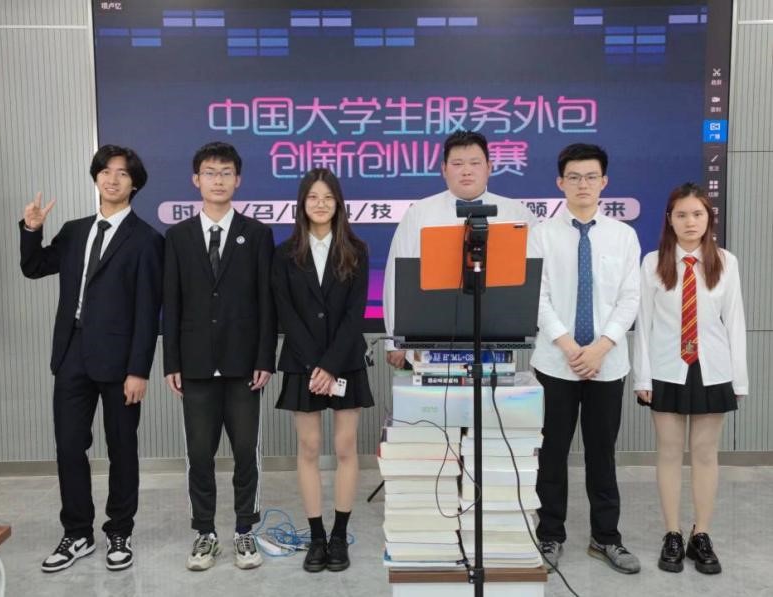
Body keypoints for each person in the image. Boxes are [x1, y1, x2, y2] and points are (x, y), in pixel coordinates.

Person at [20, 145, 163, 573]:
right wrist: (31, 230)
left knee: (122, 448)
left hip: (120, 363)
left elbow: (148, 312)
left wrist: (139, 370)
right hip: (71, 354)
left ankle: (120, 530)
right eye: (105, 171)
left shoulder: (147, 240)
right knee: (69, 447)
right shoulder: (74, 230)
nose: (112, 179)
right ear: (96, 177)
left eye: (122, 173)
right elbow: (34, 266)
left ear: (134, 184)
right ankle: (77, 533)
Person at [162, 142, 276, 571]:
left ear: (238, 180)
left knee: (246, 451)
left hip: (244, 364)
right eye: (210, 173)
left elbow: (267, 303)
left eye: (226, 172)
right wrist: (172, 362)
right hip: (194, 364)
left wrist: (265, 357)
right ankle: (205, 532)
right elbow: (171, 303)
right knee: (199, 453)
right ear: (196, 180)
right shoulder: (177, 237)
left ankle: (245, 530)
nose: (218, 180)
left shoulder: (257, 234)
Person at [528, 143, 641, 574]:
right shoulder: (541, 234)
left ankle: (606, 538)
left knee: (602, 453)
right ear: (560, 182)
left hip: (607, 364)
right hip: (555, 362)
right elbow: (537, 297)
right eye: (574, 177)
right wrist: (569, 345)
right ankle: (550, 534)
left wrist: (599, 347)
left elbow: (629, 298)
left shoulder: (623, 236)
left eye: (591, 176)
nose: (583, 184)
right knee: (551, 452)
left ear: (604, 182)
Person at [634, 183, 747, 575]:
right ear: (670, 220)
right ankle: (672, 533)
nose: (690, 222)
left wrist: (739, 380)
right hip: (667, 368)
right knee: (668, 452)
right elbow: (644, 325)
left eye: (697, 214)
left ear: (708, 218)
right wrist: (642, 377)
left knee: (704, 453)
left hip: (712, 369)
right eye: (681, 215)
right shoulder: (653, 263)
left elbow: (735, 322)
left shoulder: (725, 262)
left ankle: (701, 534)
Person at [272, 168, 373, 573]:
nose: (320, 204)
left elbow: (355, 314)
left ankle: (338, 536)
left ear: (338, 204)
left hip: (345, 360)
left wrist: (330, 365)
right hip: (302, 363)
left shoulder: (356, 250)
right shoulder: (284, 253)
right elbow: (285, 313)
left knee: (346, 448)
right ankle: (316, 537)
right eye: (313, 197)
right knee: (309, 448)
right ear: (302, 203)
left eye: (328, 197)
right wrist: (315, 365)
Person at [382, 130, 536, 367]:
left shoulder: (517, 213)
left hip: (496, 334)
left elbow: (536, 278)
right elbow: (397, 275)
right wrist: (395, 341)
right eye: (457, 164)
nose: (466, 171)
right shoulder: (419, 213)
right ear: (444, 169)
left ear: (489, 167)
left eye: (475, 163)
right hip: (430, 334)